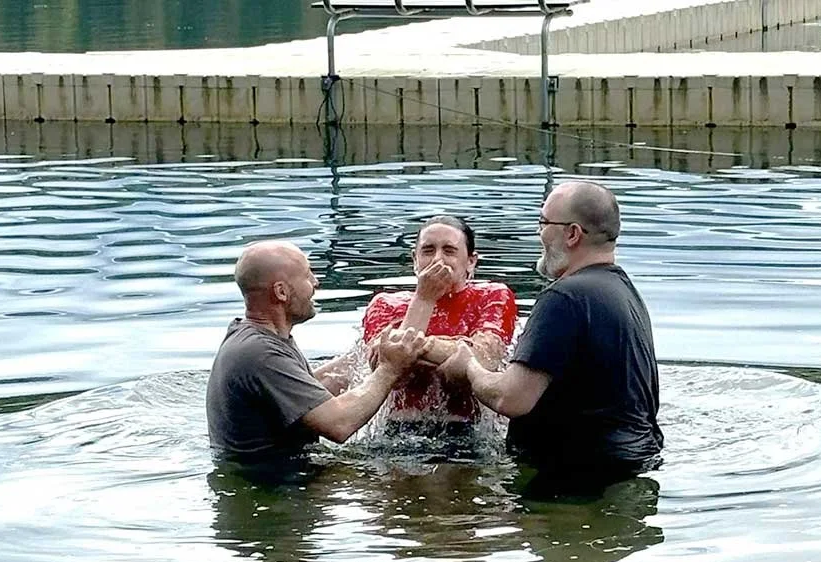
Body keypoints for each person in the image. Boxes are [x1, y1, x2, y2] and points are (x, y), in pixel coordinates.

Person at [439, 181, 663, 491]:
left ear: (573, 234)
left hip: (572, 478)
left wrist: (469, 367)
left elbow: (511, 398)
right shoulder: (625, 293)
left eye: (544, 223)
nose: (538, 233)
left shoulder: (564, 298)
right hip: (632, 463)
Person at [205, 240, 427, 464]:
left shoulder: (253, 337)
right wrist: (390, 369)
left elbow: (303, 388)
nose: (316, 282)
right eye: (307, 274)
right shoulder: (260, 353)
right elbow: (340, 425)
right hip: (276, 486)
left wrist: (361, 353)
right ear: (281, 292)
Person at [361, 215, 517, 431]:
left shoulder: (493, 296)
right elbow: (386, 371)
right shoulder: (385, 304)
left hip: (468, 427)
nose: (437, 259)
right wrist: (424, 299)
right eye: (428, 250)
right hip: (398, 426)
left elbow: (484, 359)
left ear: (471, 262)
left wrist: (417, 347)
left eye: (449, 251)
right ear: (414, 260)